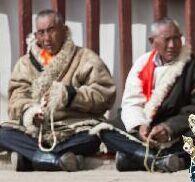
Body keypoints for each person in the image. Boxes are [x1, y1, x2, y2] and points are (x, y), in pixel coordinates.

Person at [0, 9, 115, 171]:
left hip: (74, 127)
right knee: (4, 134)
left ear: (64, 30)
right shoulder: (25, 64)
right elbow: (16, 99)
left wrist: (70, 95)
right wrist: (31, 113)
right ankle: (55, 160)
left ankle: (31, 158)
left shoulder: (85, 58)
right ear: (36, 35)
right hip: (37, 131)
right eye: (41, 32)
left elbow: (105, 94)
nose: (47, 38)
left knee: (95, 137)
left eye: (51, 30)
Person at [97, 18, 195, 172]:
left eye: (176, 38)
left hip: (177, 128)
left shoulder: (194, 66)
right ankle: (158, 160)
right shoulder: (143, 63)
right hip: (147, 128)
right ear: (152, 41)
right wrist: (140, 125)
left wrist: (169, 127)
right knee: (105, 130)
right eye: (167, 40)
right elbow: (132, 102)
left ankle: (134, 158)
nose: (172, 45)